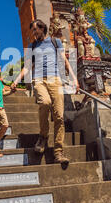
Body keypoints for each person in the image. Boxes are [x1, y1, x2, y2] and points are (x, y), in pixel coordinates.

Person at [11, 19, 79, 165]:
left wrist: (74, 78)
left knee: (59, 116)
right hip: (39, 79)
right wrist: (16, 80)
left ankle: (58, 152)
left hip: (55, 79)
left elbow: (64, 61)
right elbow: (28, 67)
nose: (34, 33)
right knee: (45, 102)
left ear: (43, 29)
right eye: (33, 30)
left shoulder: (55, 42)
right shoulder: (32, 45)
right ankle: (43, 137)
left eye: (36, 29)